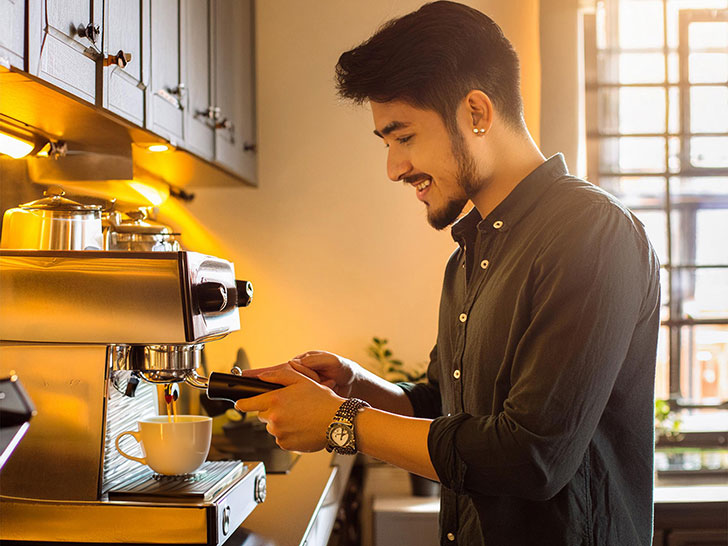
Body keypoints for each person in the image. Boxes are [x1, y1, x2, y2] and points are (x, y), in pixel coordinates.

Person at [234, 2, 661, 544]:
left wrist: (343, 423)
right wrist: (357, 385)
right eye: (387, 143)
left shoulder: (593, 235)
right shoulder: (468, 254)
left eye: (404, 136)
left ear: (477, 112)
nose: (393, 167)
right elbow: (444, 405)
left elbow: (530, 459)